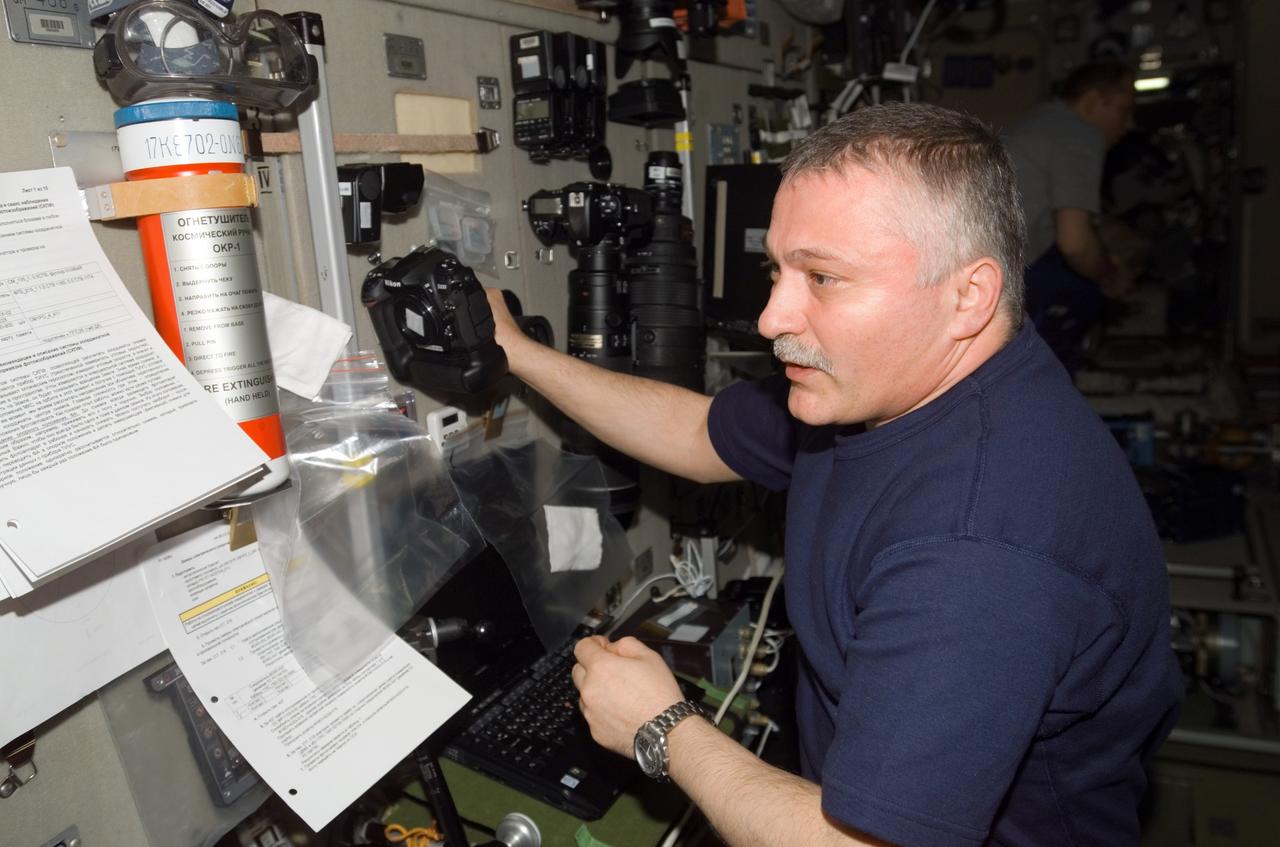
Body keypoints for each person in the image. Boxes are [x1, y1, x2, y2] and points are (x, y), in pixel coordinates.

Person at [485, 103, 1181, 846]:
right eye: (777, 270)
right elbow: (697, 431)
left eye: (823, 277)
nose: (772, 316)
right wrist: (518, 353)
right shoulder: (898, 380)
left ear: (968, 296)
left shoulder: (977, 552)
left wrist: (662, 728)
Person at [1002, 61, 1138, 372]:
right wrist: (1110, 277)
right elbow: (1075, 243)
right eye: (1124, 110)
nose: (1129, 124)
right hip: (1002, 275)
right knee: (1083, 293)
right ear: (1091, 102)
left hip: (984, 265)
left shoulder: (1041, 122)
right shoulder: (1079, 133)